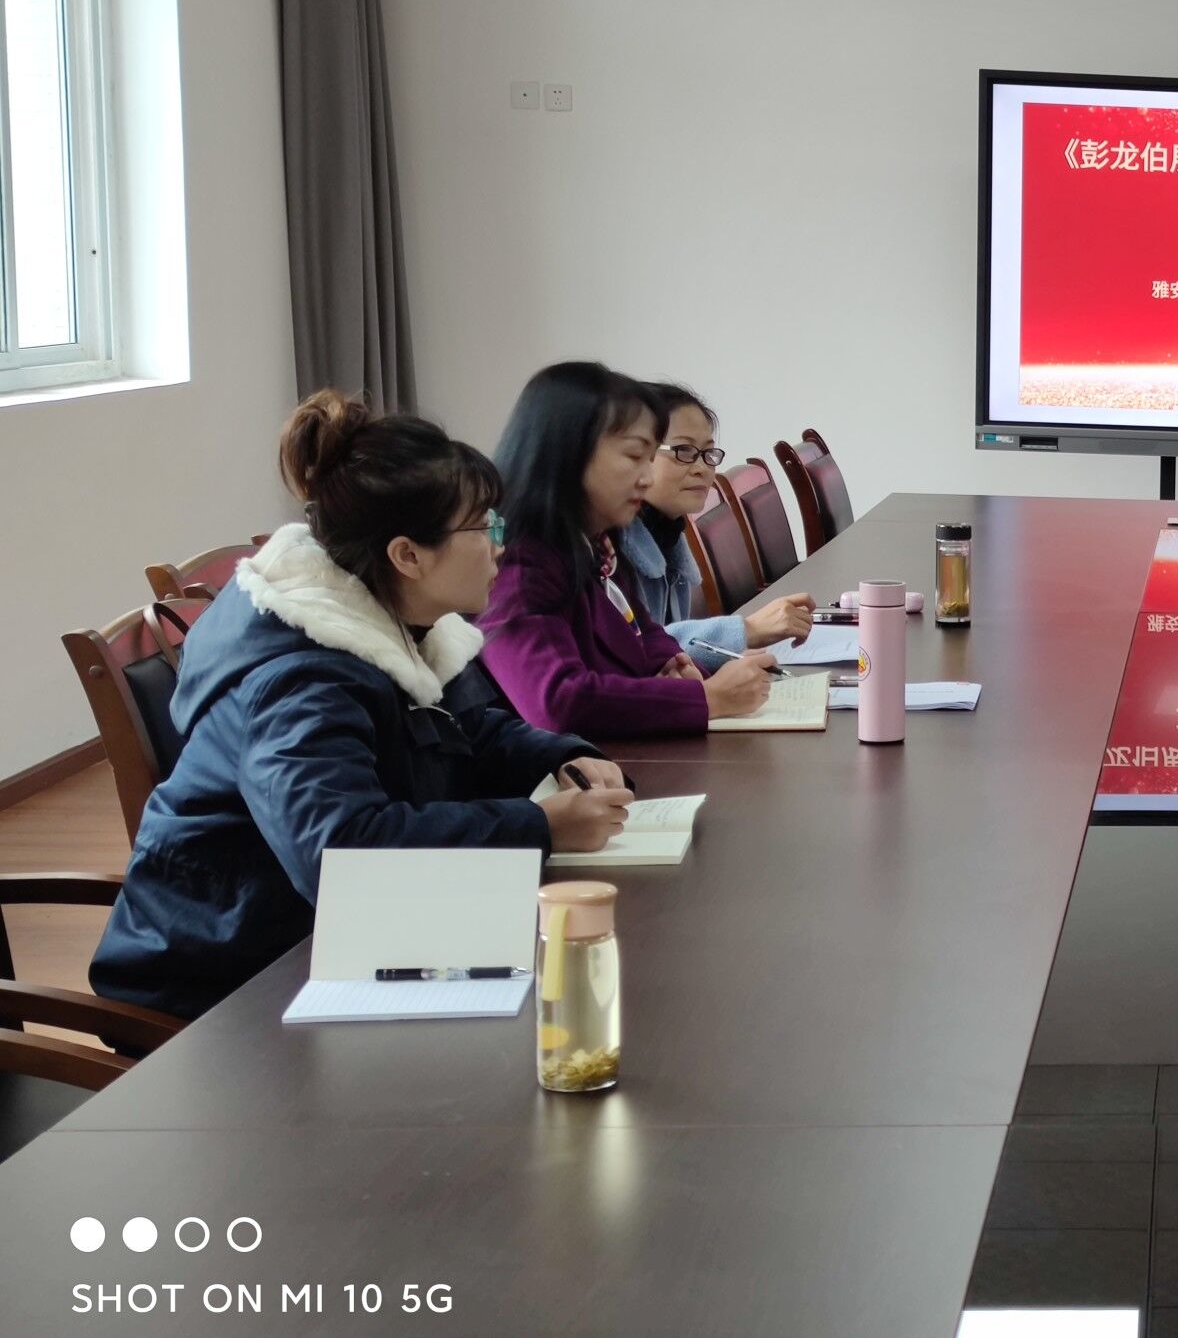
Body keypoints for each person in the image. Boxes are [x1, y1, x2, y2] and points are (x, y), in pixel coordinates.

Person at [92, 394, 635, 1022]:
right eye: (484, 527)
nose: (500, 547)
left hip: (326, 936)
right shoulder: (300, 679)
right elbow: (341, 855)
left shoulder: (401, 616)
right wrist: (537, 826)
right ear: (407, 555)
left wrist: (562, 755)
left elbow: (465, 729)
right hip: (224, 977)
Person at [481, 362, 773, 736]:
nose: (647, 478)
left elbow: (643, 629)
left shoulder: (597, 542)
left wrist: (674, 662)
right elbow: (558, 701)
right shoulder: (518, 564)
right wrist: (708, 698)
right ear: (570, 452)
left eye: (650, 459)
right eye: (635, 457)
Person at [625, 381, 816, 673]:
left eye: (708, 453)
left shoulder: (667, 534)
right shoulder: (609, 551)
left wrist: (725, 654)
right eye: (683, 450)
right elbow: (635, 654)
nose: (702, 468)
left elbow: (665, 653)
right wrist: (745, 630)